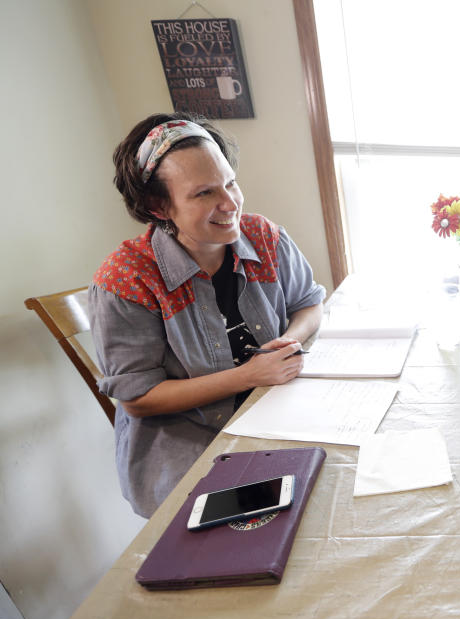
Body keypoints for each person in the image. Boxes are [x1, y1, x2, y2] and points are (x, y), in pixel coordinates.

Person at [90, 113, 326, 517]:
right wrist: (250, 375)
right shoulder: (126, 279)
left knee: (334, 495)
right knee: (256, 536)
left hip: (272, 416)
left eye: (230, 182)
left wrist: (289, 342)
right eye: (203, 193)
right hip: (189, 449)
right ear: (158, 206)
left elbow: (308, 302)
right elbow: (139, 399)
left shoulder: (265, 238)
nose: (229, 203)